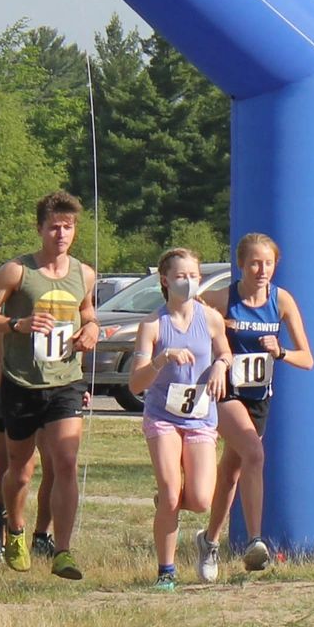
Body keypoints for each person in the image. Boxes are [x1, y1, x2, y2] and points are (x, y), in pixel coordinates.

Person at [0, 191, 102, 580]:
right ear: (40, 228)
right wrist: (17, 325)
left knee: (65, 463)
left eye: (68, 227)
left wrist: (92, 329)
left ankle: (62, 550)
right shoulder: (17, 271)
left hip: (65, 381)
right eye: (54, 227)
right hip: (22, 382)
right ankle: (14, 530)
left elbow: (87, 312)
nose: (61, 234)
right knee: (21, 470)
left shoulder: (85, 273)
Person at [198, 231, 312, 578]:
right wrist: (220, 332)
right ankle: (254, 542)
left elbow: (308, 358)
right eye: (254, 264)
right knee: (254, 454)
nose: (262, 270)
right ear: (241, 265)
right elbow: (184, 312)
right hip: (226, 392)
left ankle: (209, 541)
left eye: (268, 263)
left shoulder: (282, 301)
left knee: (232, 471)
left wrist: (281, 351)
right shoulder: (222, 298)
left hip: (259, 397)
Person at [129, 247, 231, 590]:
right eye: (181, 276)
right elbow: (135, 383)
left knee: (201, 500)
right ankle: (166, 571)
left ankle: (165, 503)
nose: (188, 283)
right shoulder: (152, 325)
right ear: (165, 280)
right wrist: (160, 359)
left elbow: (224, 351)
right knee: (172, 493)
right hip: (163, 417)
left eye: (194, 276)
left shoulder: (211, 317)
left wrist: (220, 365)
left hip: (200, 417)